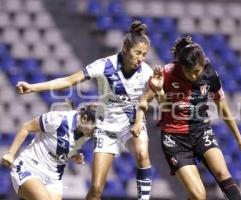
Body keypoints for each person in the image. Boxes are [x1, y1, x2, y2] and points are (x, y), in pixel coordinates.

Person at [16, 20, 153, 200]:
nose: (141, 58)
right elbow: (68, 81)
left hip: (132, 124)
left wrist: (155, 90)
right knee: (96, 189)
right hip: (107, 128)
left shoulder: (147, 71)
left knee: (142, 153)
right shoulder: (104, 65)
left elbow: (161, 96)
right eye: (138, 53)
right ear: (126, 48)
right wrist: (34, 87)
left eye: (144, 54)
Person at [131, 36, 241, 200]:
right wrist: (144, 113)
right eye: (188, 72)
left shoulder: (210, 75)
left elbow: (223, 108)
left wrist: (240, 140)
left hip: (201, 131)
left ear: (203, 65)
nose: (193, 76)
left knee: (223, 173)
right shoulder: (166, 73)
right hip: (175, 138)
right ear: (180, 66)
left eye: (196, 71)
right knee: (198, 195)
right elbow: (147, 100)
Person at [1, 103, 97, 200]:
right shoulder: (58, 118)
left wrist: (73, 155)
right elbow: (26, 127)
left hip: (53, 178)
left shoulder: (87, 133)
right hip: (30, 167)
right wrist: (10, 154)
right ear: (84, 118)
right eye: (95, 129)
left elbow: (60, 144)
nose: (95, 134)